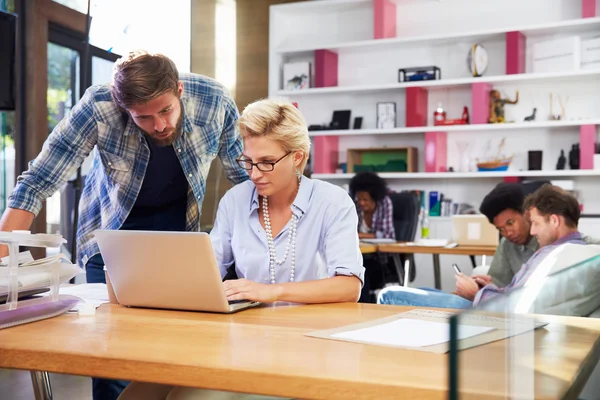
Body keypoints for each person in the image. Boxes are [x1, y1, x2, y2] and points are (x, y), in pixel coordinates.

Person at [0, 51, 248, 400]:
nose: (160, 125)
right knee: (112, 356)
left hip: (179, 243)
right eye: (143, 118)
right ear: (124, 108)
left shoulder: (214, 99)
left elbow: (246, 178)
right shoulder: (99, 105)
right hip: (112, 243)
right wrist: (3, 259)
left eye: (165, 110)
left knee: (178, 351)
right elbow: (39, 179)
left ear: (178, 89)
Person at [118, 99, 365, 399]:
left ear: (297, 157)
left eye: (266, 162)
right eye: (248, 161)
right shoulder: (235, 201)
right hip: (241, 337)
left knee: (188, 397)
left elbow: (349, 286)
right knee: (136, 394)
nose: (255, 173)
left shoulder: (333, 202)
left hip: (306, 341)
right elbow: (207, 270)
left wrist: (271, 291)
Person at [378, 184, 585, 309]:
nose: (507, 233)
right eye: (500, 229)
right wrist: (484, 287)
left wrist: (475, 294)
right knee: (422, 291)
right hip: (492, 305)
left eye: (510, 223)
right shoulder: (561, 249)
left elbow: (518, 304)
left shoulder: (553, 251)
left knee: (390, 295)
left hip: (492, 312)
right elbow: (509, 291)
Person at [348, 172, 395, 240]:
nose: (361, 203)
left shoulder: (384, 203)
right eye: (359, 199)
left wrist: (359, 235)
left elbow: (388, 235)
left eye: (365, 200)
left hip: (381, 249)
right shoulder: (354, 204)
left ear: (375, 198)